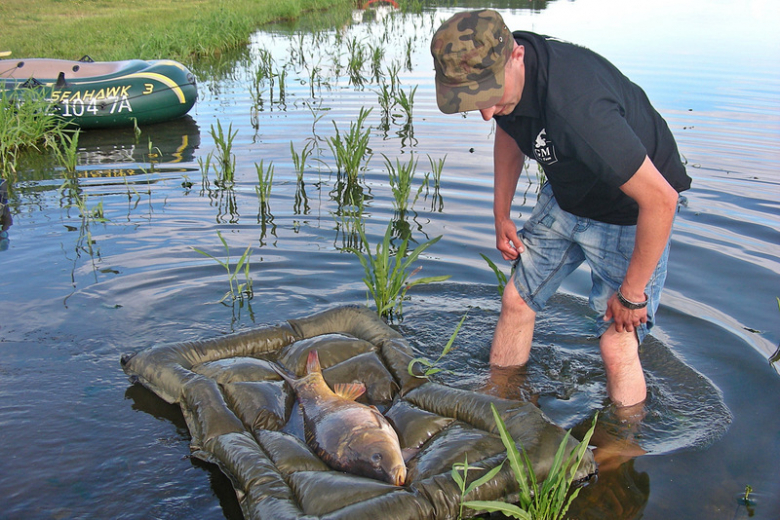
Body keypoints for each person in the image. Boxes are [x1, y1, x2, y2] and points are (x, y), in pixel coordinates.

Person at [431, 10, 691, 407]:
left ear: (516, 56)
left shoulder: (579, 109)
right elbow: (510, 129)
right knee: (517, 300)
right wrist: (501, 214)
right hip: (568, 195)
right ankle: (500, 407)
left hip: (629, 213)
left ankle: (620, 454)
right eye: (474, 101)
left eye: (489, 97)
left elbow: (661, 200)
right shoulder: (503, 74)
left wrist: (633, 295)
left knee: (617, 344)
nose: (485, 112)